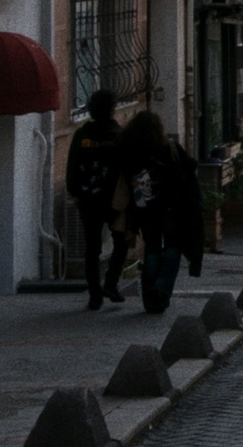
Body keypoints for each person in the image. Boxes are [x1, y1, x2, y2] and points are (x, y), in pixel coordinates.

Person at [119, 108, 205, 315]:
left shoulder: (130, 152)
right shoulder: (170, 148)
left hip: (144, 210)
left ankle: (150, 293)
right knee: (173, 248)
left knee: (152, 248)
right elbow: (190, 168)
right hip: (171, 208)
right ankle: (161, 290)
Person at [66, 90, 127, 310]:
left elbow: (72, 165)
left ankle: (95, 295)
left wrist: (74, 192)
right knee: (121, 241)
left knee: (92, 248)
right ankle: (111, 283)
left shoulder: (82, 135)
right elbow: (127, 168)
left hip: (88, 199)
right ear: (112, 109)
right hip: (114, 200)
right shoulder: (119, 136)